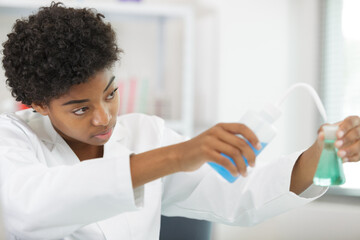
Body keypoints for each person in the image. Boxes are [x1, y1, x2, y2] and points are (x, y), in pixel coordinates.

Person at [1, 2, 360, 240]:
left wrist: (323, 154)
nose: (104, 116)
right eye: (80, 109)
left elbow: (240, 195)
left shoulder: (145, 133)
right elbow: (30, 209)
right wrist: (177, 155)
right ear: (37, 105)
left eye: (110, 93)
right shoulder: (13, 139)